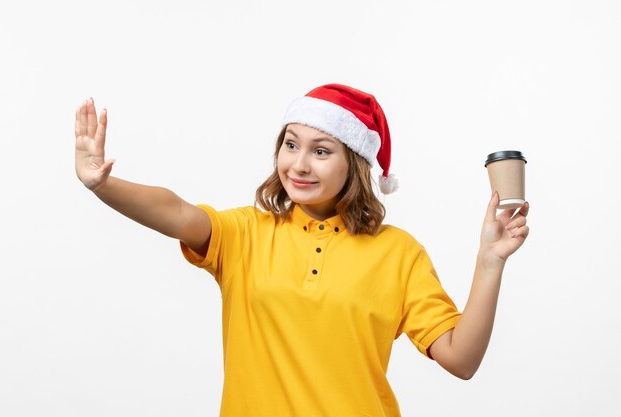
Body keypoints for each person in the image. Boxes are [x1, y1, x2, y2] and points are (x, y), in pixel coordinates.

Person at [75, 84, 530, 417]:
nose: (299, 164)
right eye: (291, 145)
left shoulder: (398, 254)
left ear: (353, 163)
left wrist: (491, 261)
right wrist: (104, 185)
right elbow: (175, 211)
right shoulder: (245, 234)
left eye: (321, 151)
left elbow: (461, 360)